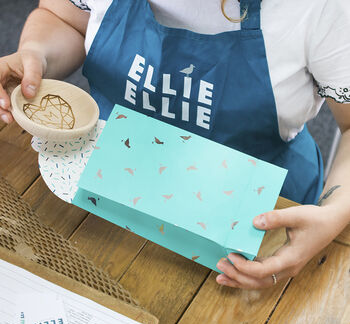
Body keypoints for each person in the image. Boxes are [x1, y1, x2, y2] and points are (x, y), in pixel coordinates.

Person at [0, 0, 349, 289]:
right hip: (104, 199)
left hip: (253, 240)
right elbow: (65, 18)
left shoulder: (321, 8)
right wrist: (36, 53)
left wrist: (334, 212)